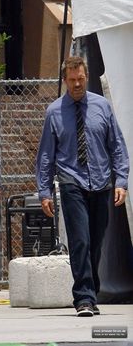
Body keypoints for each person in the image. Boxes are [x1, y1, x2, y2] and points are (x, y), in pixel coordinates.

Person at [36, 56, 129, 317]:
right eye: (72, 80)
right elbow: (46, 155)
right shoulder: (54, 111)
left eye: (81, 79)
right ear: (65, 81)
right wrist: (44, 191)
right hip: (71, 181)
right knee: (80, 241)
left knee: (96, 241)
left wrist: (121, 180)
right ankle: (84, 298)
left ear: (86, 77)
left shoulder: (102, 107)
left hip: (101, 182)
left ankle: (92, 289)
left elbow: (117, 146)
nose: (77, 84)